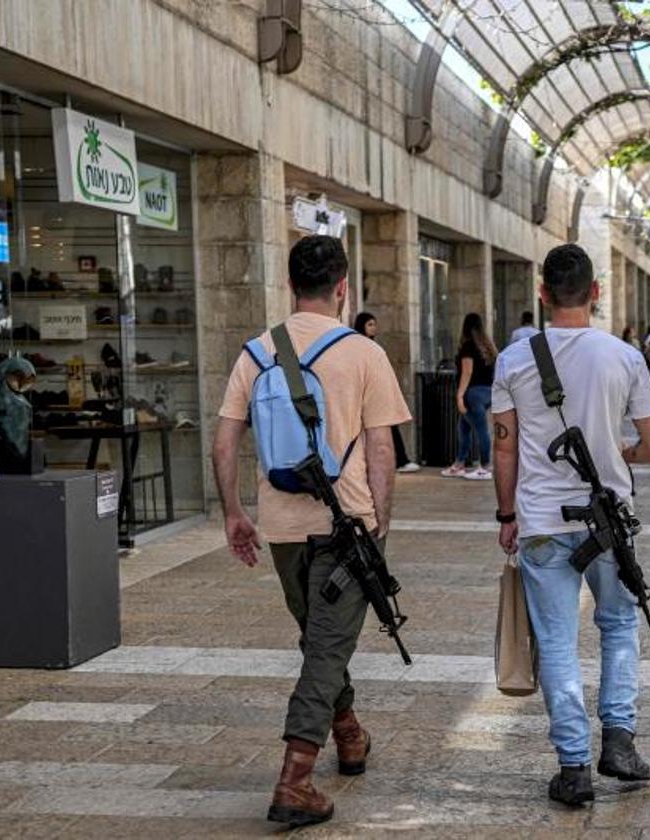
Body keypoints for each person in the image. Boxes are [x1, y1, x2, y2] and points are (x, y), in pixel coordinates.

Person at [212, 235, 411, 828]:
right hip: (346, 522)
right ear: (343, 286)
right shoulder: (363, 353)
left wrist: (233, 513)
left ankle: (349, 735)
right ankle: (294, 779)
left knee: (318, 638)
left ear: (291, 284)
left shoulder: (256, 352)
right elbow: (382, 452)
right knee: (325, 647)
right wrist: (379, 525)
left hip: (281, 527)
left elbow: (224, 442)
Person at [492, 243, 650, 807]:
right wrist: (622, 455)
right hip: (609, 521)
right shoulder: (624, 357)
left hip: (542, 520)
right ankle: (618, 740)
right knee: (618, 626)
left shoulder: (514, 360)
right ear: (596, 292)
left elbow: (504, 449)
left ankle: (573, 770)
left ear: (542, 295)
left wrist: (507, 514)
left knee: (558, 641)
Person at [354, 311, 421, 474]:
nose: (373, 328)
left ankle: (400, 460)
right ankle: (400, 461)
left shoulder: (372, 346)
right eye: (369, 324)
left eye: (374, 324)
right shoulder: (361, 346)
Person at [441, 312, 497, 481]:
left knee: (481, 430)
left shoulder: (468, 346)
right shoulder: (488, 346)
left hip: (472, 394)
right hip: (488, 393)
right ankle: (459, 464)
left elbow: (467, 371)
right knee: (464, 428)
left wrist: (459, 395)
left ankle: (486, 466)